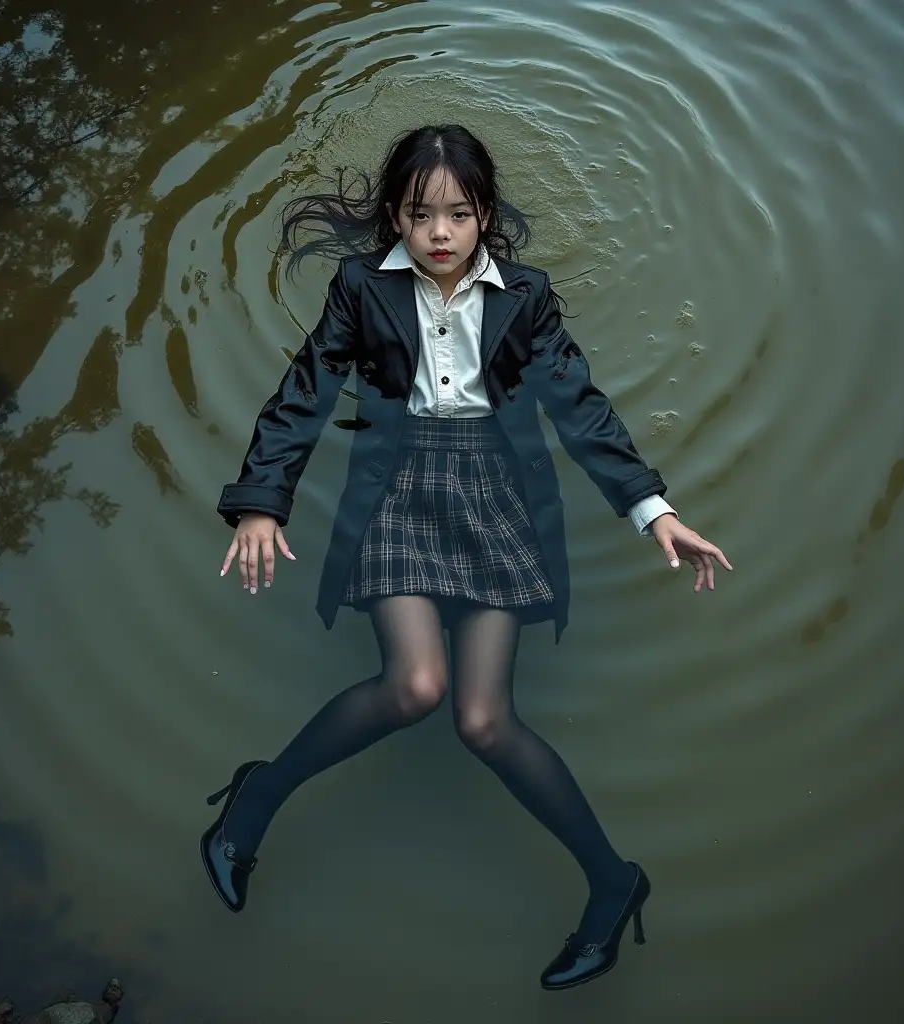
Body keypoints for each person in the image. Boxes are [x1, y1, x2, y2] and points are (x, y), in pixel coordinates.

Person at [202, 124, 731, 991]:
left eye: (458, 212)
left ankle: (613, 882)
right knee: (416, 686)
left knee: (484, 721)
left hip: (497, 494)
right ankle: (253, 800)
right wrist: (262, 501)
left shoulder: (527, 296)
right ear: (395, 220)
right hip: (399, 485)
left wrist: (653, 510)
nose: (440, 232)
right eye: (419, 215)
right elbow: (304, 393)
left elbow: (578, 405)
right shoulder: (359, 292)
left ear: (484, 212)